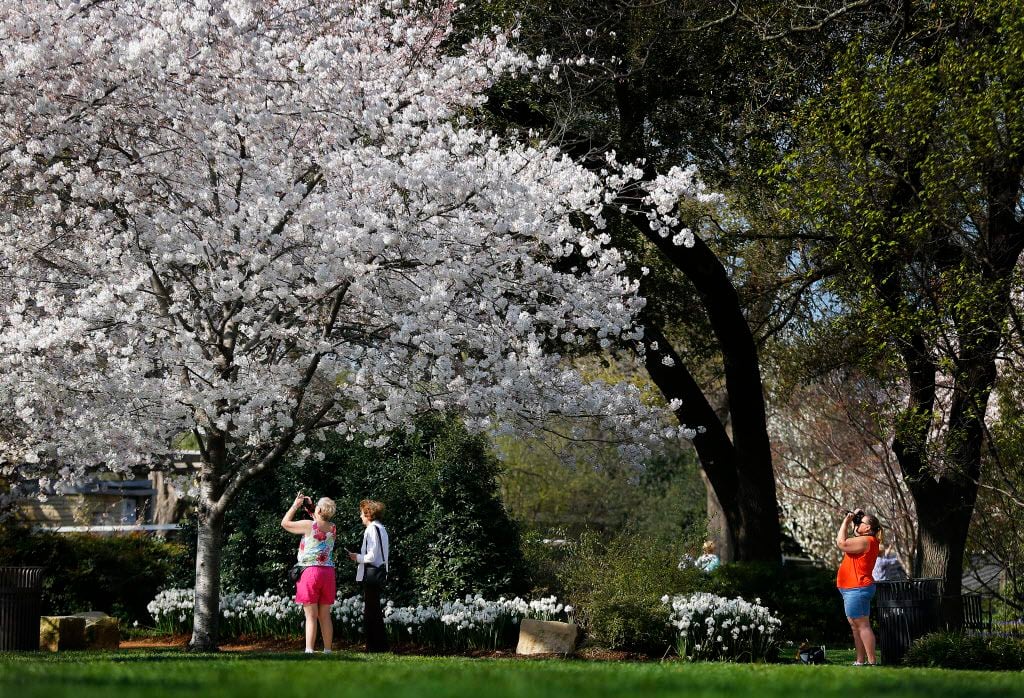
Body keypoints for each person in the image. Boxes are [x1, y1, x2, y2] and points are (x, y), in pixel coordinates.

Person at [282, 492, 337, 654]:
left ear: (319, 510)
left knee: (311, 615)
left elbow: (285, 523)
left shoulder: (308, 525)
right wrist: (313, 508)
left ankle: (309, 650)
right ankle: (327, 650)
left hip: (310, 572)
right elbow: (320, 521)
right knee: (325, 615)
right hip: (328, 572)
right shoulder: (333, 528)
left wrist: (296, 505)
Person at [836, 508, 882, 666]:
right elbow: (856, 533)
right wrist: (856, 518)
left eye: (861, 522)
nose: (858, 523)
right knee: (856, 627)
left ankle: (872, 661)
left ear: (868, 528)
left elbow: (842, 543)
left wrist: (846, 522)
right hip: (853, 589)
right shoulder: (867, 540)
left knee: (862, 626)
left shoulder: (866, 541)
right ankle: (860, 660)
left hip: (857, 588)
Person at [347, 498, 389, 652]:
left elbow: (371, 556)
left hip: (371, 573)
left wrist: (356, 557)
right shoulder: (381, 528)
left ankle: (374, 647)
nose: (360, 517)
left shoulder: (371, 529)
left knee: (371, 612)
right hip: (379, 573)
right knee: (375, 610)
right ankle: (379, 645)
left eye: (362, 514)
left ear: (368, 514)